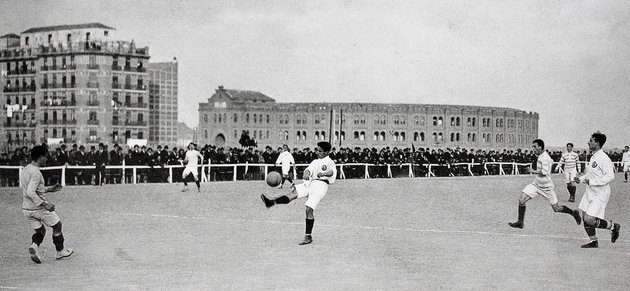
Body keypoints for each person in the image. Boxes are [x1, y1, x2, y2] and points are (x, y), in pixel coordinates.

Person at [261, 141, 337, 245]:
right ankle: (271, 202)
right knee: (293, 193)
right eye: (317, 150)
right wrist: (306, 173)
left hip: (320, 185)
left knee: (309, 209)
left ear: (327, 152)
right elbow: (308, 170)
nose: (317, 152)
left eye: (320, 151)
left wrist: (323, 173)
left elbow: (331, 172)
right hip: (310, 183)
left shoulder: (330, 162)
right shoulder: (315, 161)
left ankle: (308, 236)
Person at [509, 139, 581, 229]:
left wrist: (532, 171)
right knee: (521, 200)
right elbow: (550, 163)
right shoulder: (541, 156)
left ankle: (573, 212)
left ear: (540, 146)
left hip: (546, 187)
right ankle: (520, 222)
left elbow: (544, 172)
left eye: (535, 147)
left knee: (556, 208)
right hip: (536, 184)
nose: (533, 149)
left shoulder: (544, 158)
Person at [21, 145, 74, 263]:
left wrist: (49, 189)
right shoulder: (36, 173)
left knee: (41, 230)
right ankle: (60, 251)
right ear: (40, 157)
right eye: (45, 157)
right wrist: (45, 204)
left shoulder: (26, 169)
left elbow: (31, 188)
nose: (47, 159)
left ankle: (34, 246)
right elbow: (31, 192)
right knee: (57, 225)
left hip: (26, 209)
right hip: (38, 208)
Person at [574, 132, 621, 248]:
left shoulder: (604, 158)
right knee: (584, 216)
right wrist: (580, 179)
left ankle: (613, 226)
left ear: (597, 143)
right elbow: (591, 174)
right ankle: (593, 241)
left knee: (590, 219)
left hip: (601, 192)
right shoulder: (593, 156)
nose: (588, 142)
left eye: (591, 140)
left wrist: (593, 182)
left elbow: (610, 176)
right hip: (590, 191)